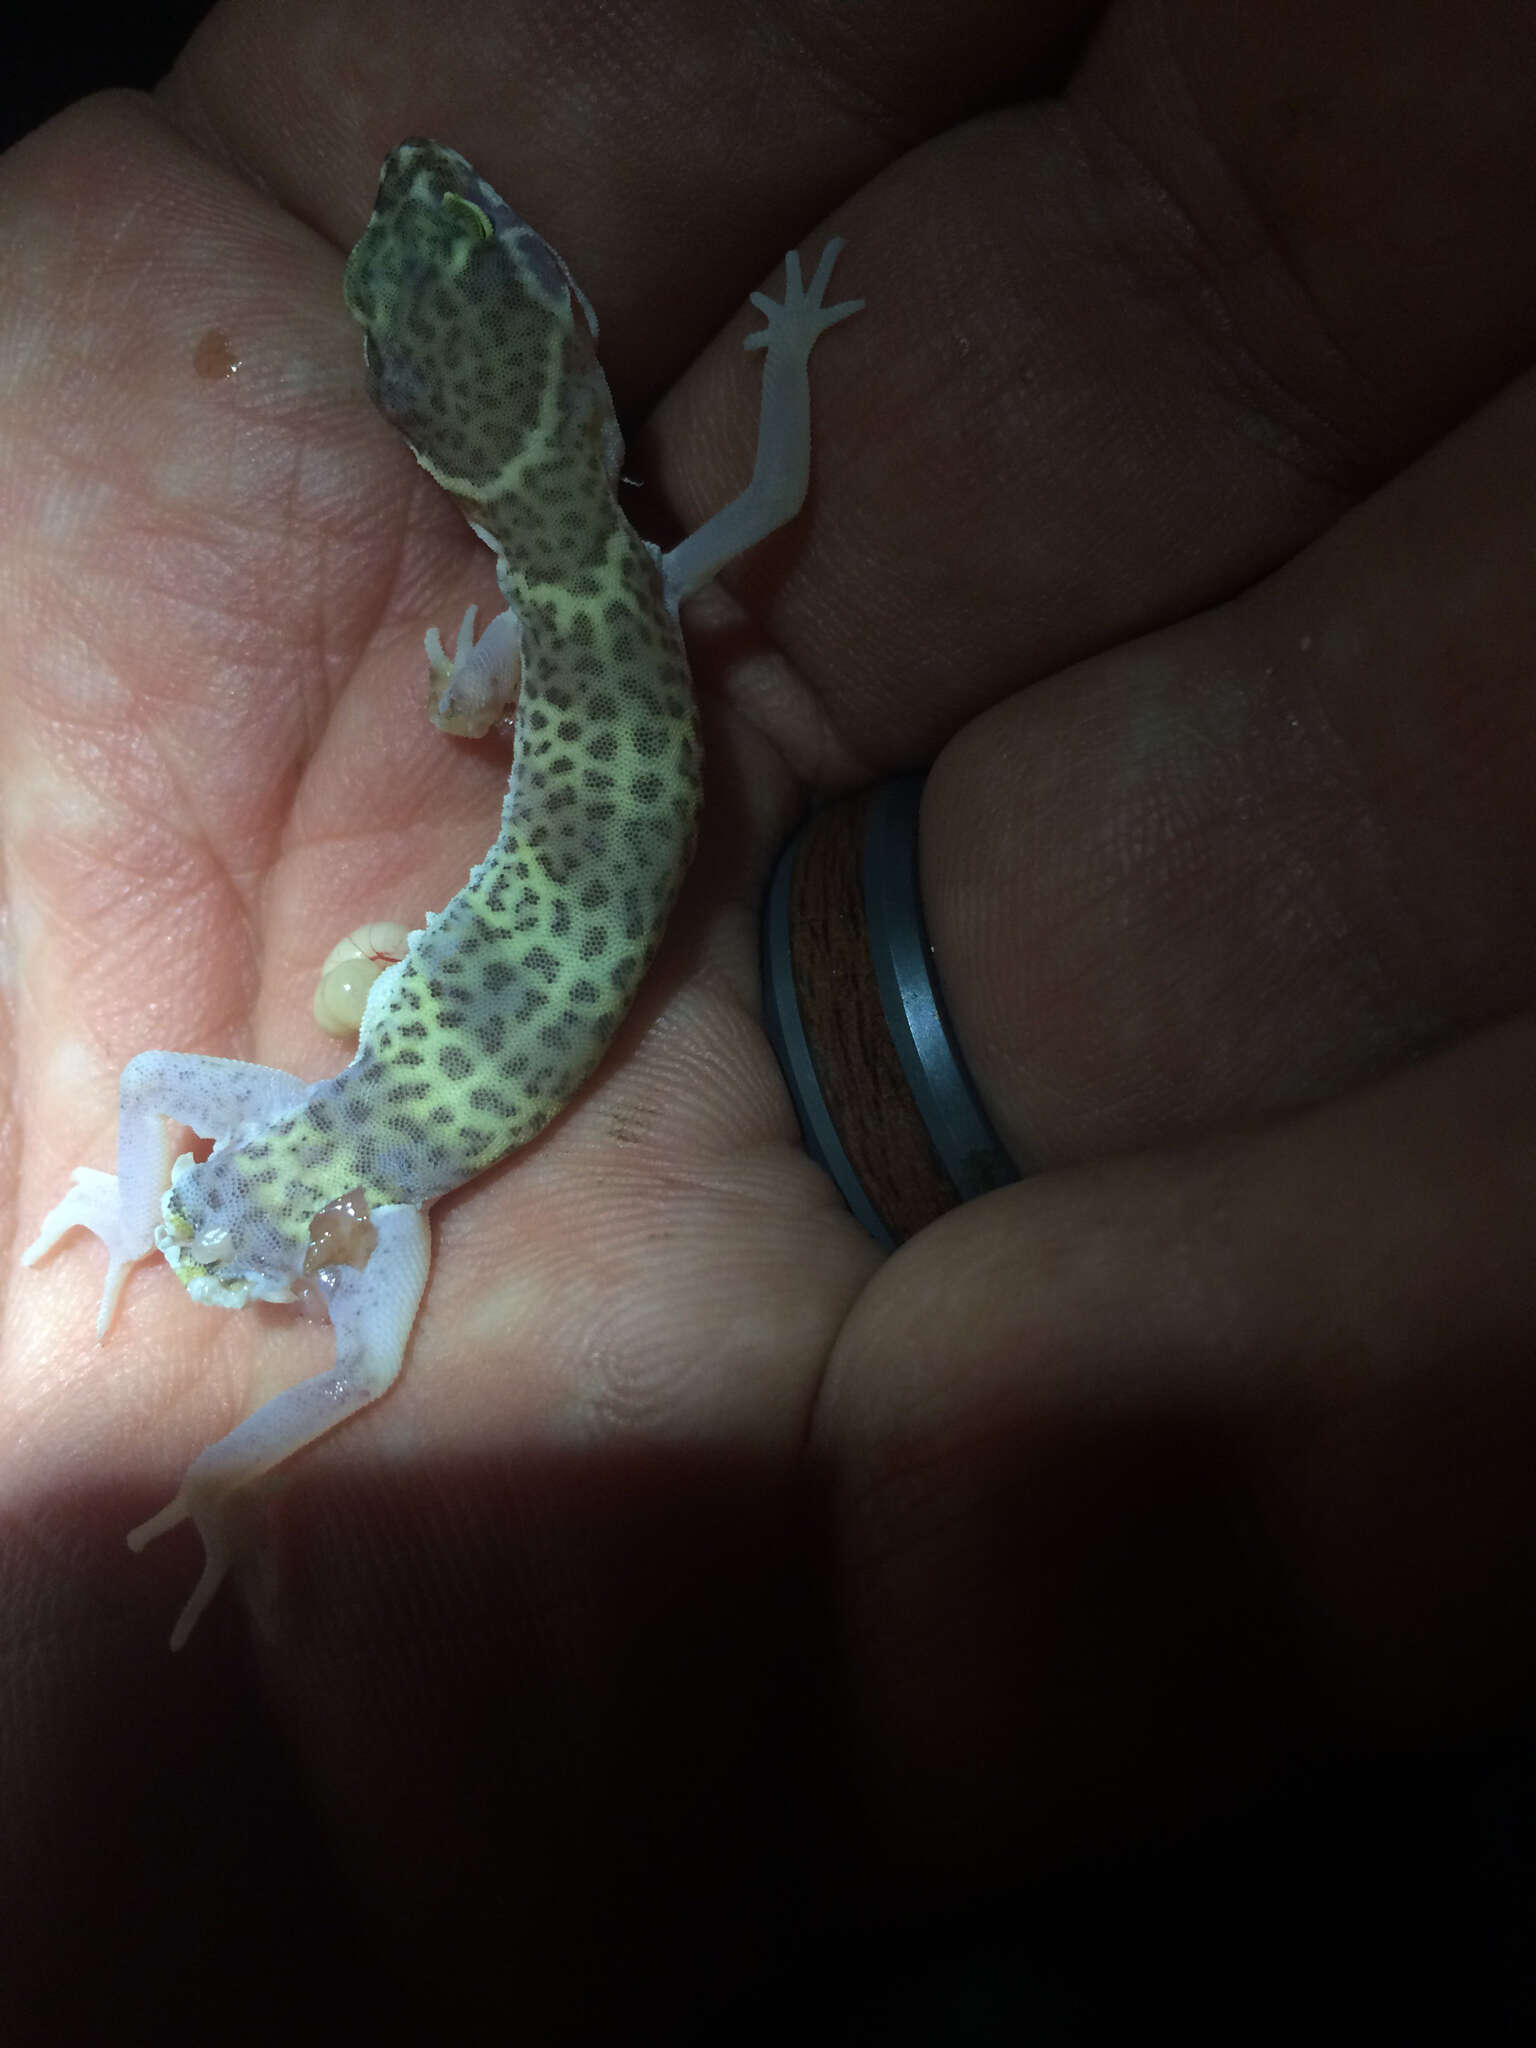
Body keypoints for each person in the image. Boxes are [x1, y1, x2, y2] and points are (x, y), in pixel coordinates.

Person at [3, 0, 1534, 2034]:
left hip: (544, 839)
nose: (422, 217)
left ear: (464, 412)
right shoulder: (600, 610)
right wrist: (784, 372)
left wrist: (218, 1434)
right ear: (551, 330)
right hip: (552, 800)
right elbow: (736, 527)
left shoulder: (375, 1212)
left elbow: (328, 1352)